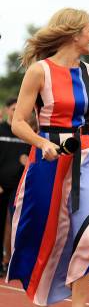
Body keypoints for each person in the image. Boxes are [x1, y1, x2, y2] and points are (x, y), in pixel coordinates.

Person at [7, 8, 89, 307]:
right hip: (48, 163)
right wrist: (42, 144)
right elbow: (19, 122)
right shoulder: (39, 72)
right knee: (45, 237)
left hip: (86, 161)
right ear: (73, 35)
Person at [0, 98, 31, 277]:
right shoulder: (1, 129)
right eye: (12, 109)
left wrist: (27, 162)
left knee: (17, 223)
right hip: (1, 185)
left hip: (18, 187)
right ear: (6, 110)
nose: (15, 112)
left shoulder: (25, 132)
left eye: (18, 109)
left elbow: (33, 157)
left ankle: (14, 262)